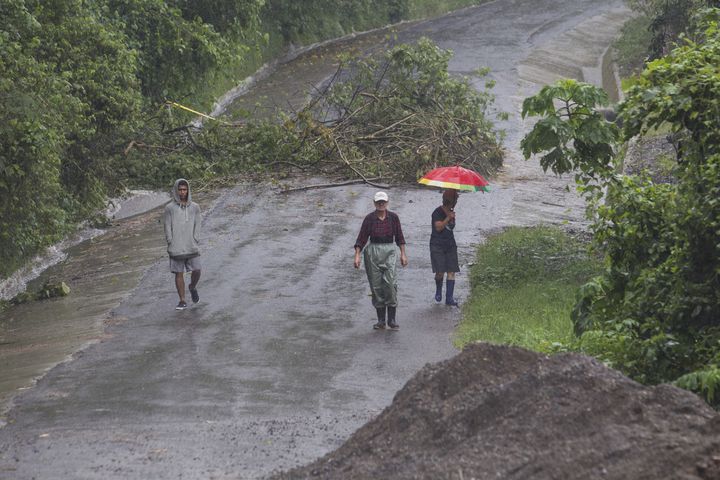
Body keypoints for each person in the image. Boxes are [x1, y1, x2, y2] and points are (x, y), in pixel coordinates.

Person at [354, 191, 408, 330]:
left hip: (389, 250)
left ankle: (392, 319)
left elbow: (400, 237)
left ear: (387, 202)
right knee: (376, 286)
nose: (381, 204)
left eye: (383, 202)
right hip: (373, 252)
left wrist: (403, 254)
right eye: (378, 202)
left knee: (390, 283)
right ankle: (381, 320)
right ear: (374, 203)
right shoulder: (369, 219)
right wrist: (357, 255)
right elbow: (361, 238)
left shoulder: (393, 218)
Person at [164, 178, 202, 310]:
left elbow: (198, 224)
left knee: (197, 270)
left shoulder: (195, 207)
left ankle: (192, 286)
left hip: (191, 244)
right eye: (180, 190)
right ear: (176, 190)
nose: (182, 192)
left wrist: (195, 238)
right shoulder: (169, 208)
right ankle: (182, 300)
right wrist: (170, 241)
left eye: (184, 189)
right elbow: (167, 226)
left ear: (188, 190)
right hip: (176, 246)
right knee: (178, 272)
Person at [430, 189, 460, 306]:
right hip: (437, 244)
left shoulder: (452, 212)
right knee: (440, 272)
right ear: (449, 201)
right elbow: (438, 227)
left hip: (450, 244)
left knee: (451, 271)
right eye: (455, 200)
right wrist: (448, 218)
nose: (456, 202)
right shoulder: (437, 212)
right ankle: (438, 290)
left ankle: (449, 298)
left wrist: (451, 216)